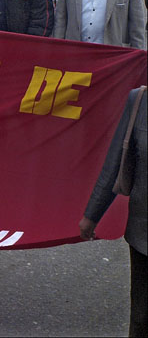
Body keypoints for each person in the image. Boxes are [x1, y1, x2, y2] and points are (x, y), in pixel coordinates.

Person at [79, 86, 146, 337]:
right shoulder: (139, 101)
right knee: (141, 317)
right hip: (143, 232)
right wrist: (92, 216)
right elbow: (115, 160)